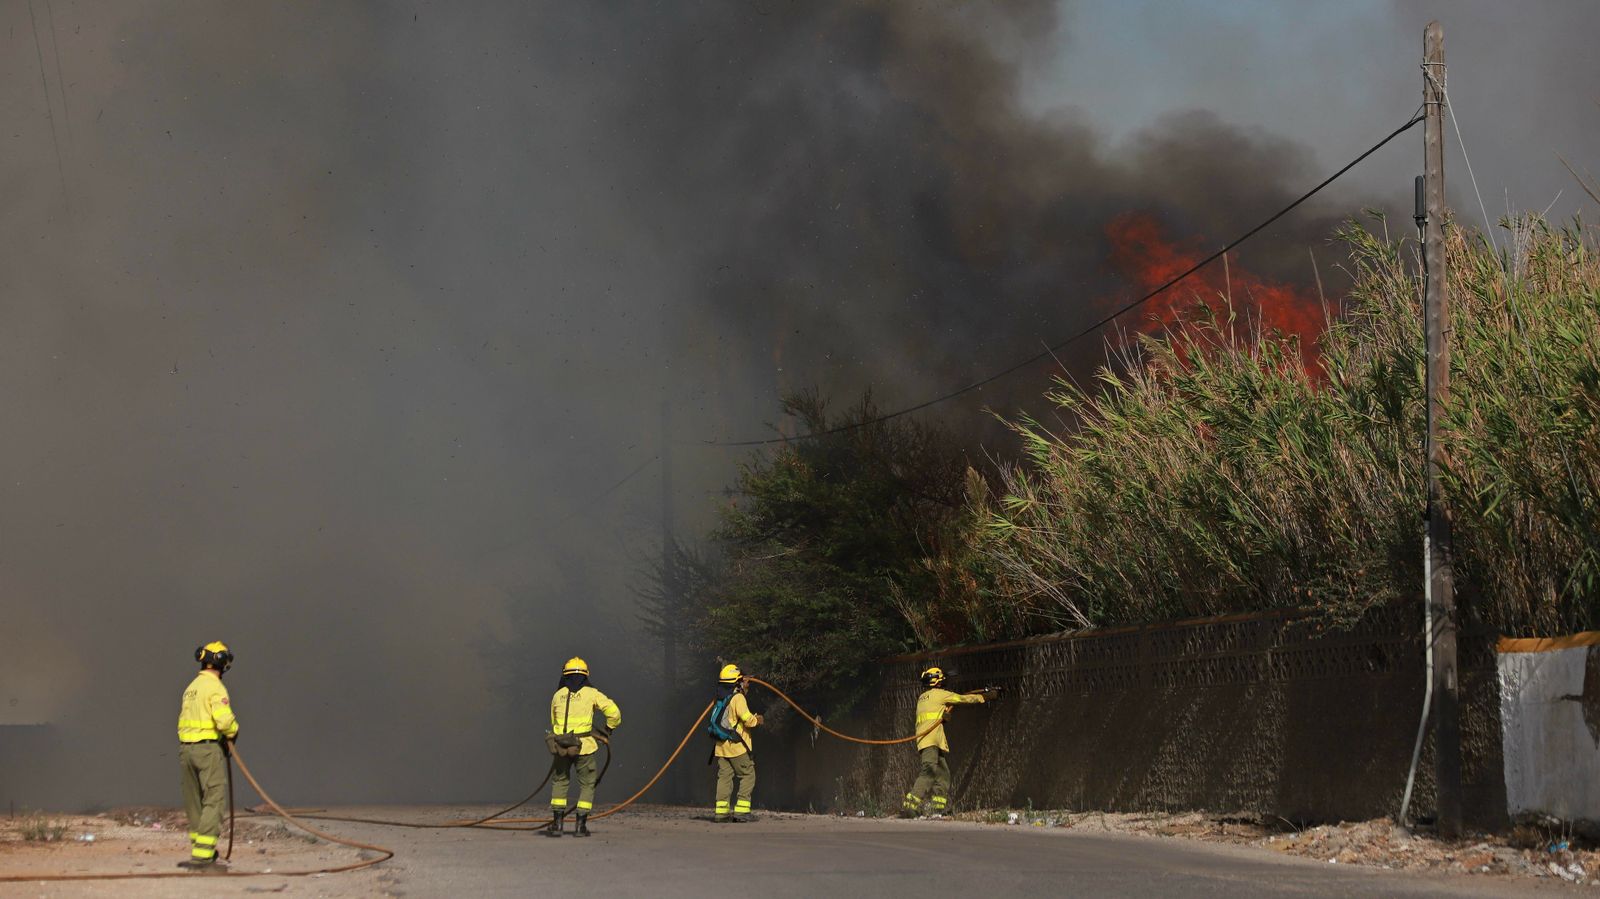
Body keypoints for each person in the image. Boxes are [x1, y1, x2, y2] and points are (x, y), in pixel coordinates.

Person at [177, 641, 239, 870]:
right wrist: (233, 731)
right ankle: (203, 856)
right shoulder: (215, 687)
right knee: (214, 800)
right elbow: (224, 721)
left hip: (186, 750)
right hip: (207, 750)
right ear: (222, 663)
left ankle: (201, 851)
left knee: (195, 803)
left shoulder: (191, 687)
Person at [544, 657, 621, 837]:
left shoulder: (557, 695)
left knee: (560, 781)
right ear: (586, 675)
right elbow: (614, 712)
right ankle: (580, 826)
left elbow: (554, 721)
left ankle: (558, 824)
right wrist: (608, 730)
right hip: (584, 747)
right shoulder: (592, 693)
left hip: (561, 747)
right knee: (587, 784)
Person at [900, 666, 985, 818]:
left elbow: (930, 718)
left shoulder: (923, 697)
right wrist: (983, 697)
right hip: (931, 741)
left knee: (943, 775)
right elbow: (962, 699)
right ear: (937, 681)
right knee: (928, 772)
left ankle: (936, 809)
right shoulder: (940, 694)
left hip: (929, 741)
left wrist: (943, 718)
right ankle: (910, 806)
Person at [711, 663, 762, 823]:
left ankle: (721, 813)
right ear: (737, 682)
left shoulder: (720, 698)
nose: (747, 684)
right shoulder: (738, 698)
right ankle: (741, 811)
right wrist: (758, 720)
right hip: (736, 747)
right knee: (748, 774)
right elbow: (748, 720)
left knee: (724, 778)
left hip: (721, 747)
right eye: (744, 681)